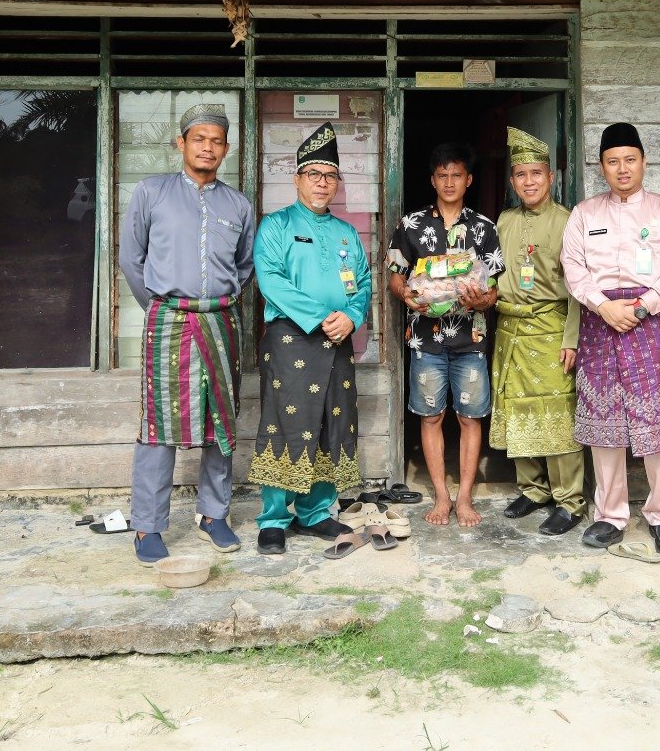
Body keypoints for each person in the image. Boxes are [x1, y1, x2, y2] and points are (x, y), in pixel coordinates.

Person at [119, 103, 255, 566]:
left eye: (216, 141)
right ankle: (148, 525)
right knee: (158, 424)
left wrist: (214, 301)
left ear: (226, 149)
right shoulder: (151, 192)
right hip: (167, 321)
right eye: (199, 139)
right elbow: (131, 259)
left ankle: (214, 515)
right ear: (181, 143)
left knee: (222, 419)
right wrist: (162, 306)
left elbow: (244, 266)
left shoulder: (238, 205)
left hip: (220, 321)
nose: (207, 148)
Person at [562, 122, 660, 560]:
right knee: (604, 419)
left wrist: (641, 307)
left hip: (653, 321)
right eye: (613, 161)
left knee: (657, 418)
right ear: (601, 167)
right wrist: (603, 306)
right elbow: (573, 267)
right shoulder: (585, 214)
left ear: (643, 162)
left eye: (630, 160)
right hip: (599, 320)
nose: (622, 169)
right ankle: (610, 515)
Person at [246, 122, 373, 555]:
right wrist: (321, 318)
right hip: (291, 340)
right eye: (314, 174)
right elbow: (271, 281)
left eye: (330, 175)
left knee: (329, 424)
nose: (322, 182)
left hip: (338, 341)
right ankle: (274, 519)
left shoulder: (346, 233)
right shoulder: (276, 226)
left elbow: (363, 283)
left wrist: (352, 316)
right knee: (285, 424)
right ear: (297, 178)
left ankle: (316, 512)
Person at [387, 142, 504, 527]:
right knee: (431, 416)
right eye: (442, 175)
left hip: (471, 339)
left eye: (456, 175)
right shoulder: (412, 225)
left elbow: (495, 287)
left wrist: (484, 298)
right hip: (426, 339)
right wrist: (405, 294)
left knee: (470, 418)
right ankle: (441, 495)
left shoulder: (484, 227)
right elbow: (394, 275)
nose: (449, 182)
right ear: (432, 180)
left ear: (468, 180)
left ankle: (465, 496)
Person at [492, 127, 585, 537]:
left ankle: (569, 500)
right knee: (517, 409)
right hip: (509, 328)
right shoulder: (504, 220)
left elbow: (579, 288)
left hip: (551, 328)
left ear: (550, 177)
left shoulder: (568, 221)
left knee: (557, 415)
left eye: (536, 174)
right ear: (512, 180)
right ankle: (533, 490)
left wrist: (572, 339)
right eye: (520, 175)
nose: (528, 182)